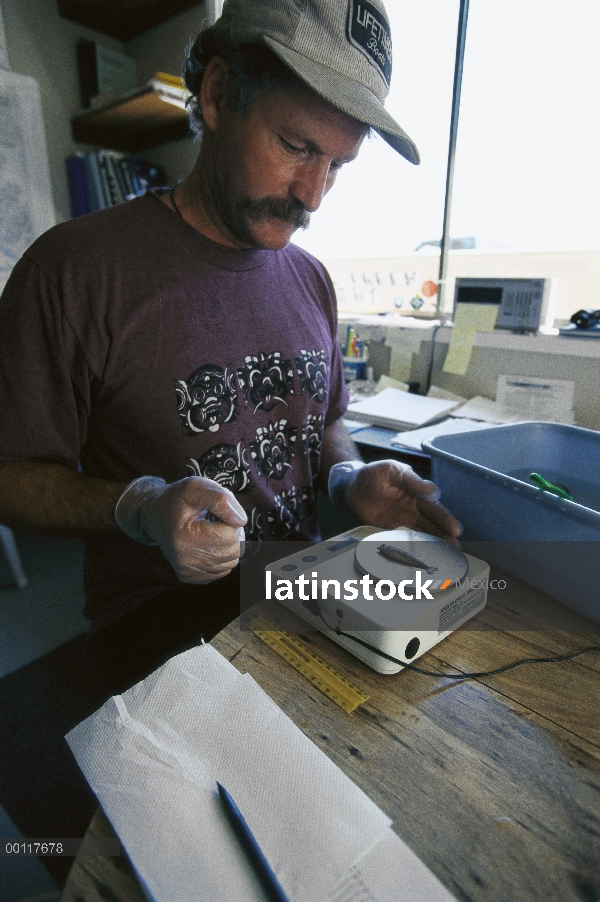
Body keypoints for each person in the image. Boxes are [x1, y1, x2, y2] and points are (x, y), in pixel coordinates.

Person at [0, 0, 460, 692]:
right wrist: (140, 507)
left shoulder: (311, 280)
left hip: (305, 587)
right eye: (297, 146)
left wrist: (345, 480)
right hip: (161, 623)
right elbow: (9, 475)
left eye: (338, 165)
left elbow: (326, 424)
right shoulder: (74, 270)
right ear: (217, 94)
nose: (313, 194)